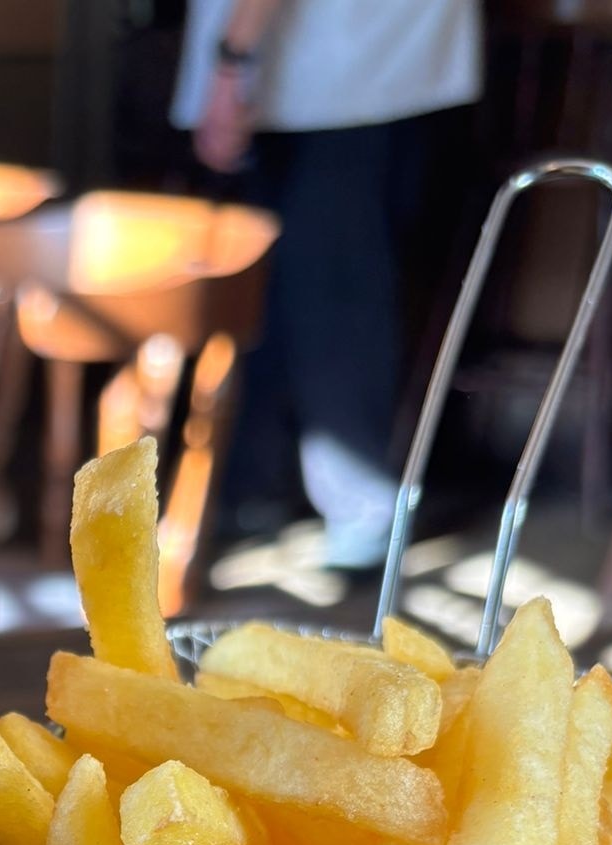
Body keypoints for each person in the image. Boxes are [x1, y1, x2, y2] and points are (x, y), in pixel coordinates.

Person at [172, 0, 483, 569]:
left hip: (341, 67)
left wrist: (232, 60)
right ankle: (264, 491)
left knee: (329, 291)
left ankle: (360, 508)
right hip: (352, 64)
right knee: (300, 285)